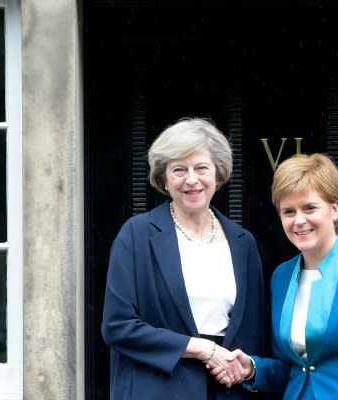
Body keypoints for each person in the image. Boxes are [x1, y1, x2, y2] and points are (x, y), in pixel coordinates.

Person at [101, 117, 266, 400]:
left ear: (218, 173)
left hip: (225, 390)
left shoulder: (243, 244)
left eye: (202, 168)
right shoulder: (136, 236)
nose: (192, 179)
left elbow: (253, 337)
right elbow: (118, 327)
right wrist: (204, 349)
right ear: (164, 178)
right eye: (179, 170)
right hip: (155, 389)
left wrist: (244, 369)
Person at [222, 153, 338, 399]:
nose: (299, 220)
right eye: (288, 211)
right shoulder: (282, 275)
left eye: (309, 207)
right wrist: (252, 369)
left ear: (334, 208)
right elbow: (293, 369)